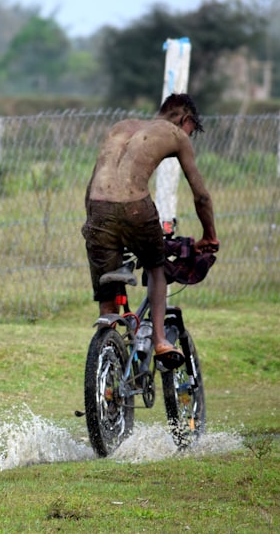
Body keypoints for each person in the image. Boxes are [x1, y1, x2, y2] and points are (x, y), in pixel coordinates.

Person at [81, 93, 219, 367]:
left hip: (97, 209)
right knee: (156, 267)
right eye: (191, 130)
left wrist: (92, 224)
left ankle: (106, 359)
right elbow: (201, 196)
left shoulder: (120, 127)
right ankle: (160, 340)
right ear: (185, 119)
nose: (188, 135)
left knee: (108, 295)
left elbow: (91, 184)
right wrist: (210, 235)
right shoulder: (175, 134)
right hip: (135, 209)